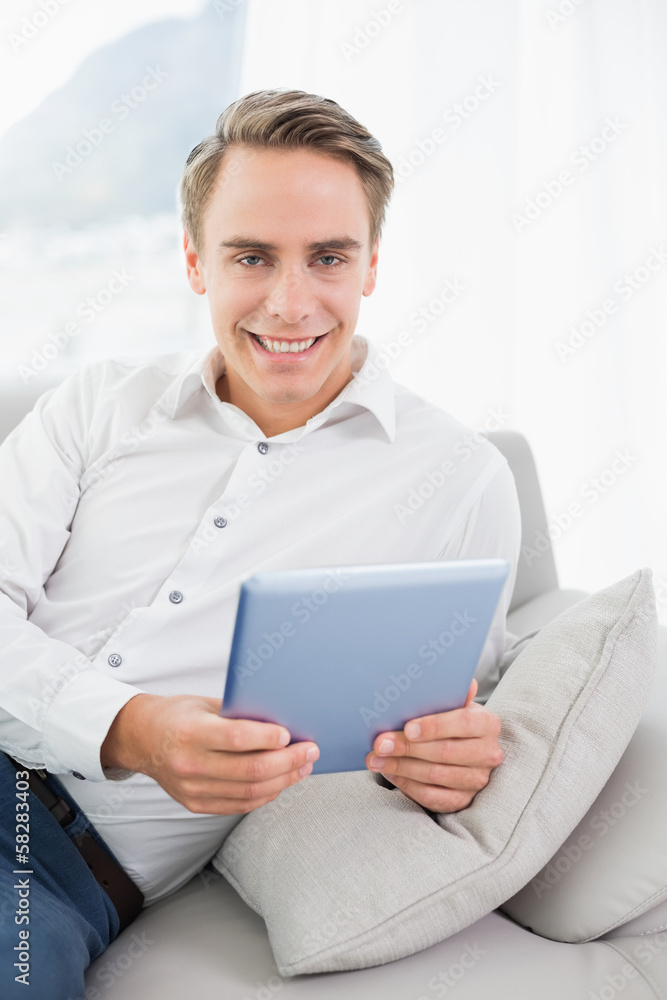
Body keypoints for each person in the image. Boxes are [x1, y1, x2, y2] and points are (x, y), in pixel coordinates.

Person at [0, 89, 521, 999]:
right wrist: (128, 726)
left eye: (327, 257)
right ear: (198, 263)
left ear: (369, 268)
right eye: (252, 256)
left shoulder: (459, 480)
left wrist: (445, 763)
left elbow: (427, 725)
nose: (290, 303)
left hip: (46, 866)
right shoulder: (96, 407)